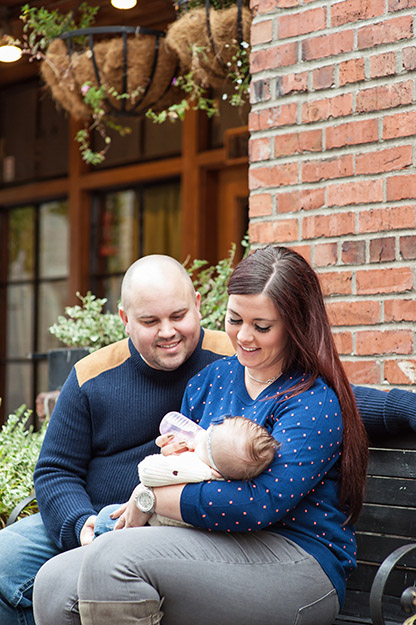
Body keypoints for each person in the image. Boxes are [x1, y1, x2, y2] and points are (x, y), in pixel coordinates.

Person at [31, 246, 416, 625]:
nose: (244, 337)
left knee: (114, 562)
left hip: (297, 562)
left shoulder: (313, 402)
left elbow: (255, 505)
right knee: (54, 583)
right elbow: (181, 465)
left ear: (295, 325)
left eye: (261, 326)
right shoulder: (209, 381)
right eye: (235, 320)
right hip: (213, 543)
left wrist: (150, 499)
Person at [0, 254, 234, 625]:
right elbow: (55, 470)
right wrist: (82, 525)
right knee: (2, 563)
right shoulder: (91, 375)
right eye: (149, 321)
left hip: (174, 524)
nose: (168, 331)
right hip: (97, 517)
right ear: (125, 320)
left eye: (178, 316)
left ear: (198, 306)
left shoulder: (235, 359)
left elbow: (317, 389)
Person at [98, 414, 277, 530]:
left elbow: (147, 471)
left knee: (107, 517)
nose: (200, 435)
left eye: (206, 439)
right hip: (165, 524)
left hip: (153, 525)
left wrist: (170, 461)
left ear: (214, 470)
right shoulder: (222, 475)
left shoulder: (199, 470)